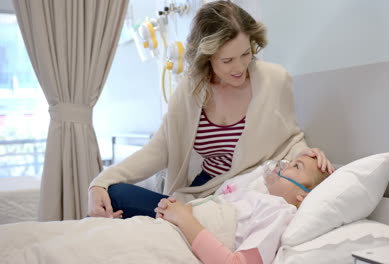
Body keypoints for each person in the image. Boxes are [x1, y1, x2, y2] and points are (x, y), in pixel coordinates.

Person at [87, 0, 334, 219]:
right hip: (202, 193)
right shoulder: (191, 89)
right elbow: (161, 149)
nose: (239, 67)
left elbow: (290, 138)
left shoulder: (276, 79)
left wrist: (309, 158)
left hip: (245, 194)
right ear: (207, 58)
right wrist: (101, 182)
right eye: (227, 60)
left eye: (245, 54)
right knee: (114, 193)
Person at [155, 155, 331, 264]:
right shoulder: (255, 196)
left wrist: (183, 218)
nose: (283, 165)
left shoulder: (279, 212)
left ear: (303, 195)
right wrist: (170, 215)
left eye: (295, 166)